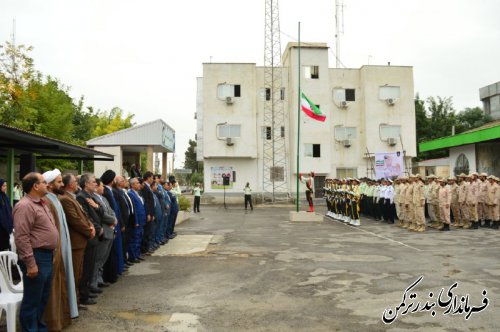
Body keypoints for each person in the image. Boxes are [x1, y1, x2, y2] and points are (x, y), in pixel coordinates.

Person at [13, 172, 59, 332]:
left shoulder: (41, 203)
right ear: (35, 186)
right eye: (43, 182)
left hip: (45, 256)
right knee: (32, 300)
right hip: (35, 257)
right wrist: (30, 264)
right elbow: (21, 237)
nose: (47, 184)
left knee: (42, 298)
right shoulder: (24, 206)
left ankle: (39, 328)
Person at [42, 169, 79, 324]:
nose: (62, 184)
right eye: (58, 182)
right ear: (49, 185)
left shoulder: (56, 199)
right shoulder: (48, 201)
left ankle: (66, 314)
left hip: (64, 248)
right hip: (56, 251)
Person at [60, 173, 96, 306]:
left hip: (82, 240)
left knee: (80, 272)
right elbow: (75, 220)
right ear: (70, 184)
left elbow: (84, 216)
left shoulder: (72, 197)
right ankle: (73, 303)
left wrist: (91, 226)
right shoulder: (65, 199)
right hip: (76, 242)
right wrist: (89, 230)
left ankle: (77, 300)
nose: (77, 183)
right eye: (75, 181)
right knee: (75, 273)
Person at [128, 177, 146, 262]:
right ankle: (133, 256)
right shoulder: (131, 193)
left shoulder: (137, 193)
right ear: (132, 185)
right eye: (137, 183)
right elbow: (133, 209)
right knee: (134, 238)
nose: (139, 184)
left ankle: (137, 254)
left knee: (139, 238)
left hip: (141, 220)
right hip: (137, 221)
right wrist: (136, 221)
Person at [0, 178, 13, 250]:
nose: (5, 188)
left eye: (6, 186)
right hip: (1, 228)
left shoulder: (5, 197)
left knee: (5, 246)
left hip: (6, 228)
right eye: (3, 186)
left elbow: (9, 209)